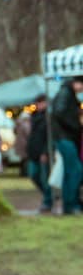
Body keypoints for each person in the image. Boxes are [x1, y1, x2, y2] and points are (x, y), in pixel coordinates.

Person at [49, 76, 83, 215]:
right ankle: (71, 204)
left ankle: (70, 203)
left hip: (64, 137)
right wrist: (75, 126)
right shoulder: (66, 93)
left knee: (69, 171)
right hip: (65, 137)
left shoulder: (65, 93)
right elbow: (59, 113)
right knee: (75, 170)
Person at [26, 94, 51, 213]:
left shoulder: (48, 117)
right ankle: (47, 197)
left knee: (44, 177)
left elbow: (49, 137)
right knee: (34, 175)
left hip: (42, 152)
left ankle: (48, 200)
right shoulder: (34, 116)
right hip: (34, 151)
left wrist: (45, 152)